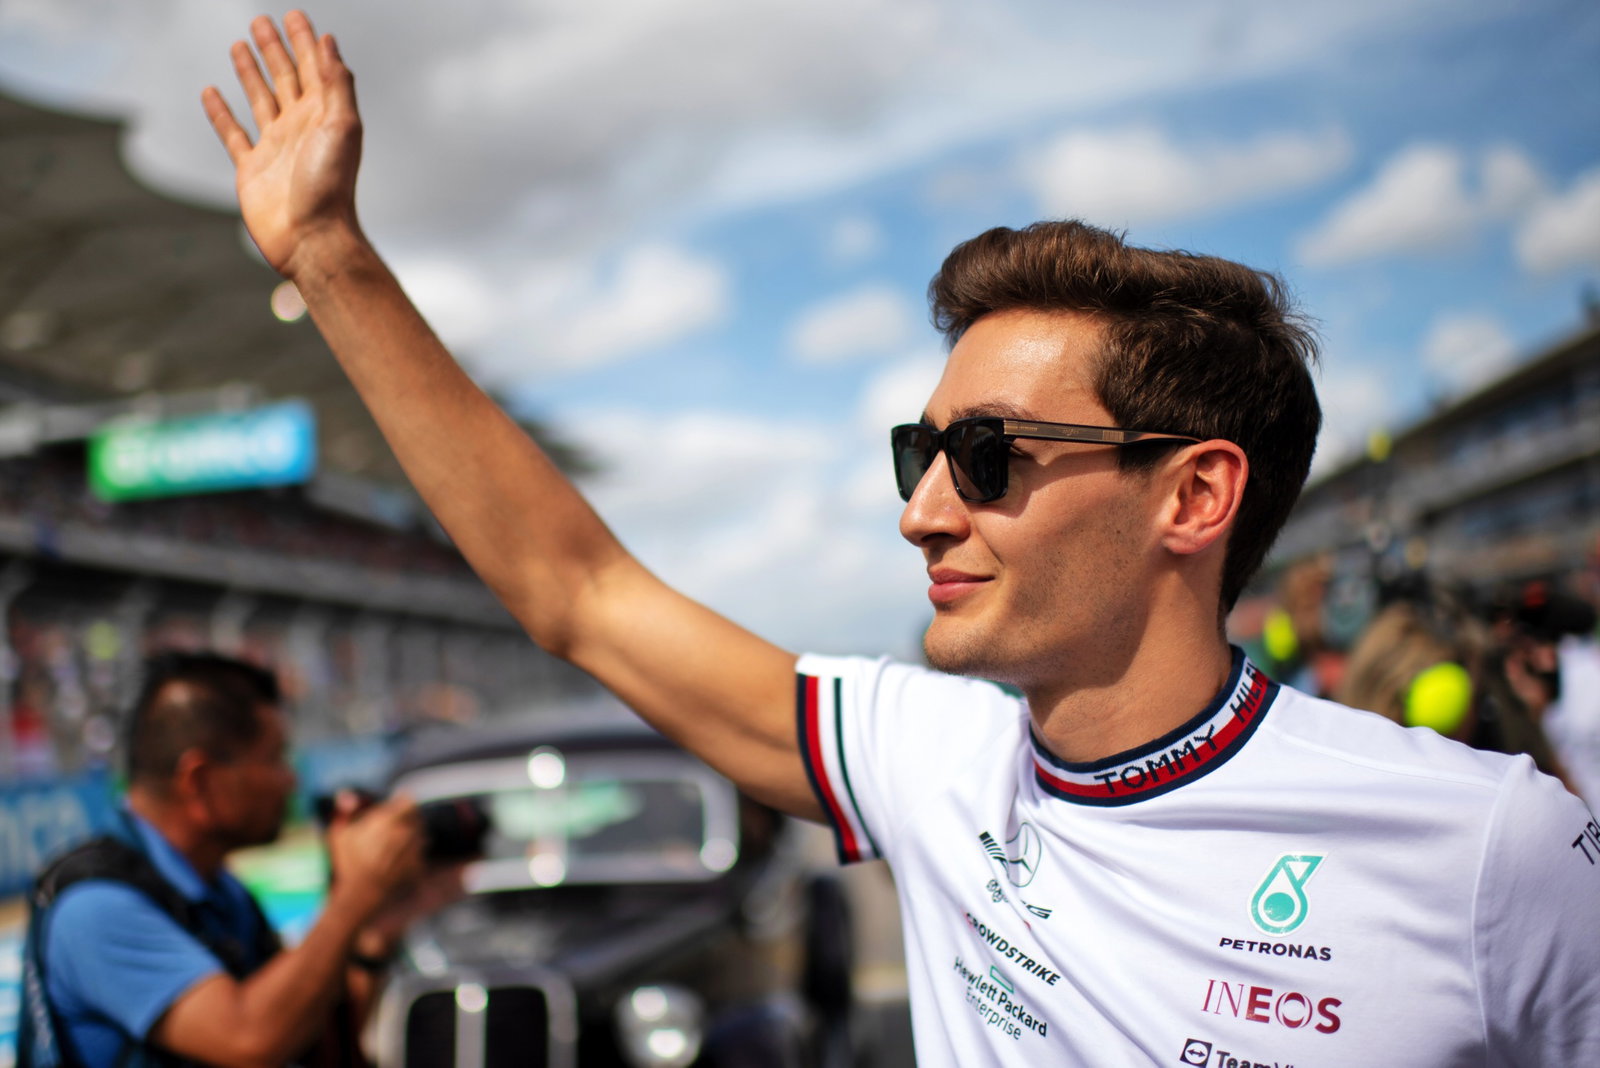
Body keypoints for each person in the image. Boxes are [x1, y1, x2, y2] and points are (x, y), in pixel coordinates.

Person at [199, 13, 1600, 1062]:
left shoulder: (1498, 849)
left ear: (1194, 497)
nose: (924, 506)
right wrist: (329, 255)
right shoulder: (930, 761)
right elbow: (580, 592)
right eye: (919, 452)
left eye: (986, 457)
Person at [19, 652, 426, 1068]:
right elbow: (249, 1041)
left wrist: (373, 933)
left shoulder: (219, 889)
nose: (292, 780)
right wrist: (352, 896)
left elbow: (305, 1033)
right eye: (274, 758)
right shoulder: (97, 907)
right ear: (199, 780)